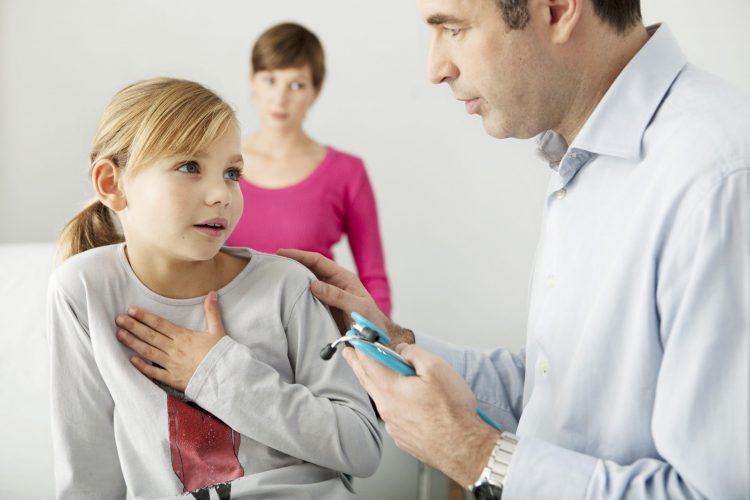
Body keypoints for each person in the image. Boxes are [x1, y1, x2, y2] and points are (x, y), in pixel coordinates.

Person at [115, 0, 749, 498]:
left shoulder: (718, 183)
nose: (434, 67)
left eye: (451, 28)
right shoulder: (585, 167)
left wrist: (476, 456)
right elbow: (561, 389)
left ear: (555, 9)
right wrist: (387, 339)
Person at [48, 77, 381, 500]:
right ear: (112, 184)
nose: (221, 194)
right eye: (190, 167)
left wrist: (217, 374)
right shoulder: (82, 289)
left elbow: (362, 447)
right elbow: (87, 477)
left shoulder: (286, 285)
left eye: (232, 173)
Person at [226, 22, 392, 315]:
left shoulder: (347, 172)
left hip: (317, 339)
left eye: (296, 85)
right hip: (223, 336)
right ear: (252, 77)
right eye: (270, 79)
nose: (280, 97)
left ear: (316, 90)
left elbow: (372, 279)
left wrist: (381, 344)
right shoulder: (220, 164)